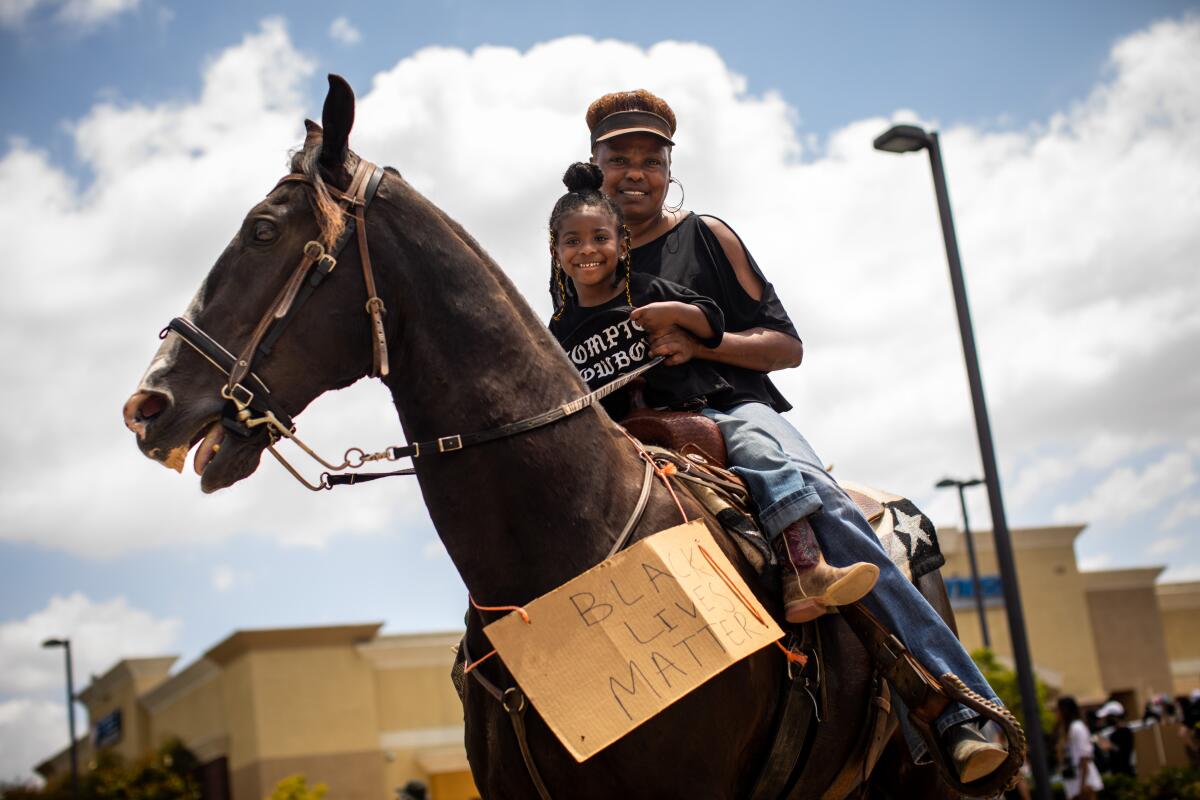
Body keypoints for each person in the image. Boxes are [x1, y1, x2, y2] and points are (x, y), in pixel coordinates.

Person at [568, 87, 1011, 782]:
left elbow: (784, 345)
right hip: (628, 442)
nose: (634, 172)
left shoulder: (706, 236)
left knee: (821, 504)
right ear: (594, 167)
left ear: (667, 168)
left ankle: (957, 706)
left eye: (650, 160)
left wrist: (700, 342)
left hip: (727, 415)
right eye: (618, 158)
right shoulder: (578, 256)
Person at [546, 160, 878, 622]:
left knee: (758, 447)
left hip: (696, 409)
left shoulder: (645, 289)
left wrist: (676, 316)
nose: (588, 249)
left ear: (622, 246)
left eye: (600, 238)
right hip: (621, 438)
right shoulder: (558, 328)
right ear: (556, 248)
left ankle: (803, 566)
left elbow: (711, 316)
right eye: (573, 241)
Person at [1057, 696, 1103, 799]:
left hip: (1083, 781)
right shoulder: (1067, 729)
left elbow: (1085, 756)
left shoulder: (1077, 727)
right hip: (1075, 782)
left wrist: (1082, 785)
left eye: (1058, 710)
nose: (1057, 713)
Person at [1096, 700, 1135, 776]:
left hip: (1124, 774)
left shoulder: (1125, 732)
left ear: (1114, 717)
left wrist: (1108, 745)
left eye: (1108, 717)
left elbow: (1124, 751)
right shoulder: (1115, 732)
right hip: (1117, 773)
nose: (1106, 719)